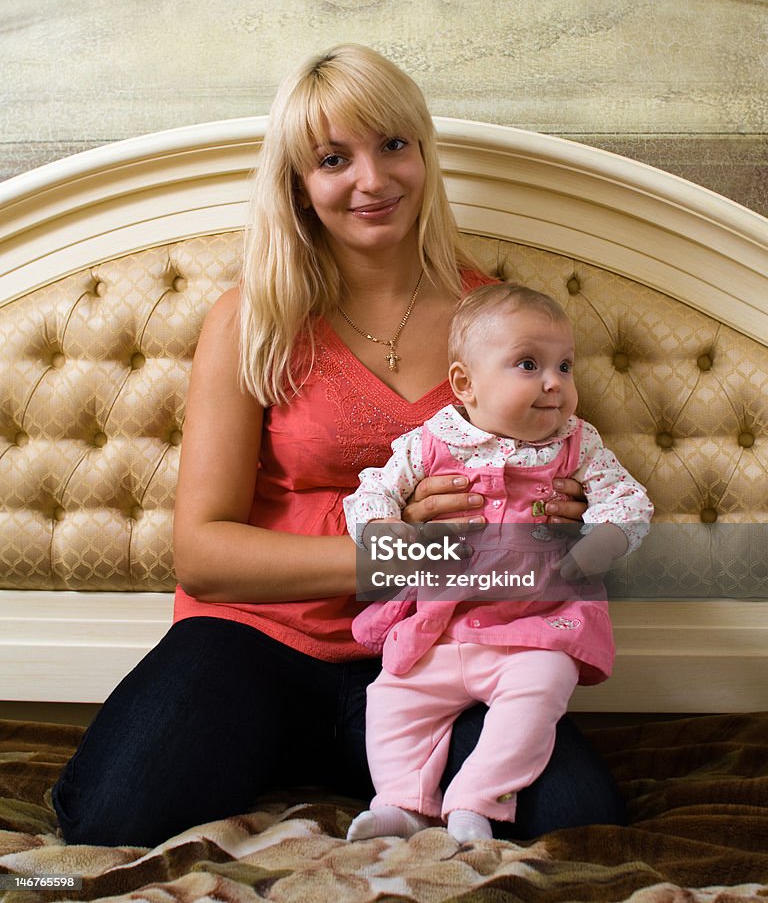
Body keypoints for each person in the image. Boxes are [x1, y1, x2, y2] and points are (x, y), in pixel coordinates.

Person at [52, 44, 627, 849]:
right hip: (255, 639)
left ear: (423, 154)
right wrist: (404, 556)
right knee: (112, 816)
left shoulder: (501, 324)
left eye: (394, 144)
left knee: (574, 818)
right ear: (298, 182)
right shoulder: (250, 320)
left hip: (437, 649)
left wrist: (563, 517)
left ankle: (355, 756)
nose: (373, 179)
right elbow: (202, 552)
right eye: (334, 158)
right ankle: (278, 742)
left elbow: (561, 496)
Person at [343, 283, 653, 844]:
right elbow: (370, 495)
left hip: (535, 630)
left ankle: (476, 800)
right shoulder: (429, 443)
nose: (553, 382)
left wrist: (597, 544)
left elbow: (628, 501)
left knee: (537, 695)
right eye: (528, 365)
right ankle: (401, 800)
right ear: (465, 384)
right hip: (440, 629)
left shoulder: (577, 444)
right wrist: (390, 536)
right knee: (391, 698)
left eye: (564, 365)